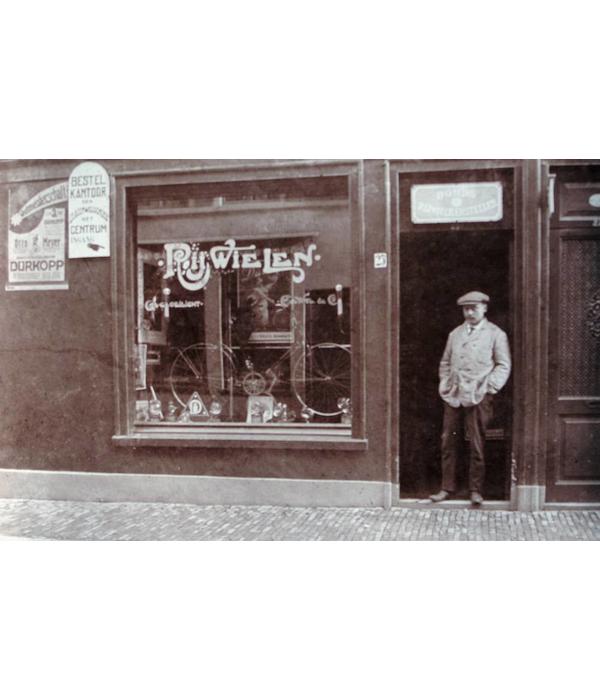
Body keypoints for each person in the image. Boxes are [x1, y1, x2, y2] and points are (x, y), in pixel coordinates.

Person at [430, 291, 511, 506]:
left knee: (476, 444)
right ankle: (447, 488)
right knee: (448, 442)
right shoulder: (455, 334)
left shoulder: (496, 334)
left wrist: (490, 387)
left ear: (485, 308)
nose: (469, 312)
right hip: (454, 396)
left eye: (474, 307)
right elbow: (445, 362)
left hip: (478, 395)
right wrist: (445, 384)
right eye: (466, 308)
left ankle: (476, 490)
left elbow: (503, 365)